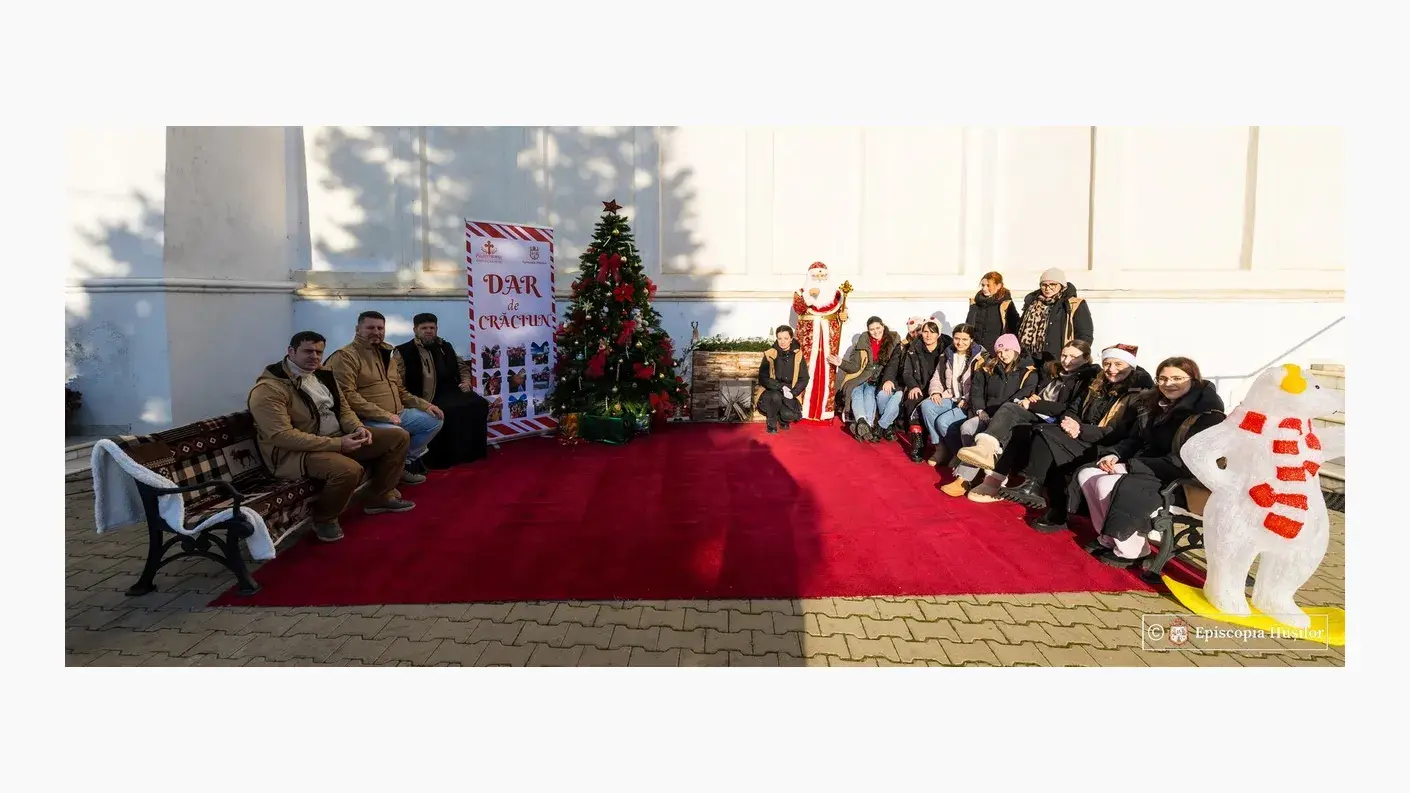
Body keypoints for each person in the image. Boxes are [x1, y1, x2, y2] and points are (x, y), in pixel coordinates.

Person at [1055, 357, 1225, 567]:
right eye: (1163, 378)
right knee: (1087, 474)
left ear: (1193, 379)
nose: (1168, 384)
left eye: (1177, 378)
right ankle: (1108, 536)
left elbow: (1188, 462)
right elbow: (1136, 439)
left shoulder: (1207, 415)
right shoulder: (1154, 404)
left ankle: (1134, 549)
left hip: (1179, 479)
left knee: (1107, 483)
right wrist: (1115, 454)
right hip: (1147, 466)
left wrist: (1129, 466)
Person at [247, 331, 415, 543]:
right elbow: (282, 436)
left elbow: (344, 409)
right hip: (294, 453)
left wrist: (357, 427)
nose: (314, 357)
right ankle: (325, 519)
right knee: (348, 470)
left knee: (399, 437)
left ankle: (380, 496)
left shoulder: (323, 375)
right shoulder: (269, 389)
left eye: (319, 352)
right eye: (308, 351)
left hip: (335, 437)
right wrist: (338, 444)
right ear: (291, 351)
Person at [987, 343, 1152, 511]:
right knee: (1035, 430)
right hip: (1080, 435)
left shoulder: (1137, 395)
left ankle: (1034, 487)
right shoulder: (1097, 384)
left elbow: (1117, 432)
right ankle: (1027, 485)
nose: (1111, 369)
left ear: (1130, 366)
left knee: (1046, 434)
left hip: (1103, 445)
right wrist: (1070, 423)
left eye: (1118, 364)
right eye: (1107, 363)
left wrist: (1080, 429)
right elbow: (1073, 408)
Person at [325, 311, 444, 485]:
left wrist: (425, 405)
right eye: (370, 328)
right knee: (399, 434)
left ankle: (403, 462)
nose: (376, 332)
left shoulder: (386, 354)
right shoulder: (345, 356)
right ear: (357, 329)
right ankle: (388, 480)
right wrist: (385, 415)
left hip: (397, 414)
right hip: (367, 420)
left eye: (380, 328)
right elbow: (347, 396)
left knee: (434, 420)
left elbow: (400, 390)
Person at [956, 339, 1094, 472]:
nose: (1066, 360)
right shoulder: (1054, 372)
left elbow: (1068, 408)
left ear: (1086, 358)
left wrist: (1036, 404)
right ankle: (982, 469)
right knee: (973, 426)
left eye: (1073, 357)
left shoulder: (1085, 381)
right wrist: (1033, 398)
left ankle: (984, 462)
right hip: (1032, 412)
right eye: (1064, 355)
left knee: (1009, 411)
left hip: (1052, 421)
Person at [939, 334, 1038, 495]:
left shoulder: (1028, 373)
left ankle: (965, 478)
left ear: (1015, 350)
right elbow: (976, 392)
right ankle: (976, 468)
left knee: (992, 435)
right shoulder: (988, 368)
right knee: (967, 427)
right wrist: (980, 410)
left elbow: (1021, 397)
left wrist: (998, 416)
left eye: (1007, 350)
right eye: (999, 352)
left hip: (1010, 419)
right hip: (987, 414)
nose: (1003, 355)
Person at [395, 313, 490, 469]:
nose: (428, 331)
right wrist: (413, 401)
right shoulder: (403, 351)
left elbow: (462, 368)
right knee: (446, 411)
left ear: (436, 329)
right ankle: (442, 459)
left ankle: (471, 453)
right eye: (424, 328)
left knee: (478, 404)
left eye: (432, 327)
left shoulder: (446, 346)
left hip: (451, 390)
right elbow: (397, 382)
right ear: (415, 330)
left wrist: (466, 381)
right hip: (425, 396)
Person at [790, 261, 849, 422]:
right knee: (806, 370)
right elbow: (798, 308)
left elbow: (841, 312)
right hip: (809, 341)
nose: (820, 277)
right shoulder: (801, 292)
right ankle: (803, 408)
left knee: (827, 369)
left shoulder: (836, 294)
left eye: (822, 274)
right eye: (816, 274)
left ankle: (825, 410)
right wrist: (809, 296)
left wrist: (844, 315)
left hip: (828, 340)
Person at [919, 324, 985, 465]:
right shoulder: (947, 354)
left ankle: (958, 452)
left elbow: (980, 385)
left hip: (968, 403)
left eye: (964, 339)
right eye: (956, 338)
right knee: (927, 405)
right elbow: (937, 376)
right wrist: (936, 391)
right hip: (951, 396)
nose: (960, 343)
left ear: (971, 339)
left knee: (943, 422)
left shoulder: (980, 358)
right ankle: (940, 448)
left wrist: (967, 399)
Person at [833, 316, 902, 442]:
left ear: (883, 326)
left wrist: (887, 379)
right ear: (868, 331)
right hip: (861, 377)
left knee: (869, 394)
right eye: (872, 329)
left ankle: (866, 424)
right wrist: (841, 363)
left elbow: (893, 364)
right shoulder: (863, 342)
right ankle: (862, 421)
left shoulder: (892, 342)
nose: (876, 332)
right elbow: (854, 366)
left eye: (878, 328)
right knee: (856, 391)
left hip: (877, 379)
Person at [1015, 268, 1094, 367]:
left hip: (1060, 361)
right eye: (1044, 285)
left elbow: (1084, 335)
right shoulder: (1032, 303)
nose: (1047, 288)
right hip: (1031, 360)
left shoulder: (1073, 304)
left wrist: (1074, 358)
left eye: (1053, 284)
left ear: (1061, 285)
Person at [894, 320, 948, 462]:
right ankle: (917, 443)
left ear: (938, 334)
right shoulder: (914, 348)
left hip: (939, 389)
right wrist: (913, 386)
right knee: (913, 400)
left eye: (932, 332)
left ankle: (941, 445)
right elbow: (907, 372)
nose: (928, 335)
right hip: (919, 386)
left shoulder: (946, 350)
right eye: (925, 331)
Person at [756, 325, 809, 434]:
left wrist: (793, 392)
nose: (783, 342)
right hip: (772, 391)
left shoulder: (798, 355)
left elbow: (804, 378)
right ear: (777, 338)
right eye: (780, 338)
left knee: (789, 415)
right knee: (776, 397)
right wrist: (780, 386)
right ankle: (771, 422)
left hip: (790, 392)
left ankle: (782, 419)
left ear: (791, 339)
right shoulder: (770, 354)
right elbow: (763, 377)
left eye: (786, 338)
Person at [965, 272, 1022, 353]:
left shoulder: (1006, 304)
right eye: (983, 285)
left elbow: (1014, 328)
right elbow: (969, 325)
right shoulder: (975, 302)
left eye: (988, 285)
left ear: (998, 286)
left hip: (997, 352)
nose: (984, 288)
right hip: (976, 351)